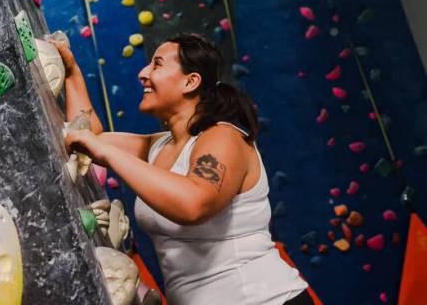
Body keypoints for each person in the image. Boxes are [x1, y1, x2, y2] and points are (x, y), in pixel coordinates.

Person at [57, 33, 313, 305]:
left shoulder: (224, 137)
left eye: (157, 64)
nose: (143, 73)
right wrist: (72, 73)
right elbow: (86, 138)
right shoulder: (157, 147)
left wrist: (106, 152)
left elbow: (194, 203)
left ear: (191, 81)